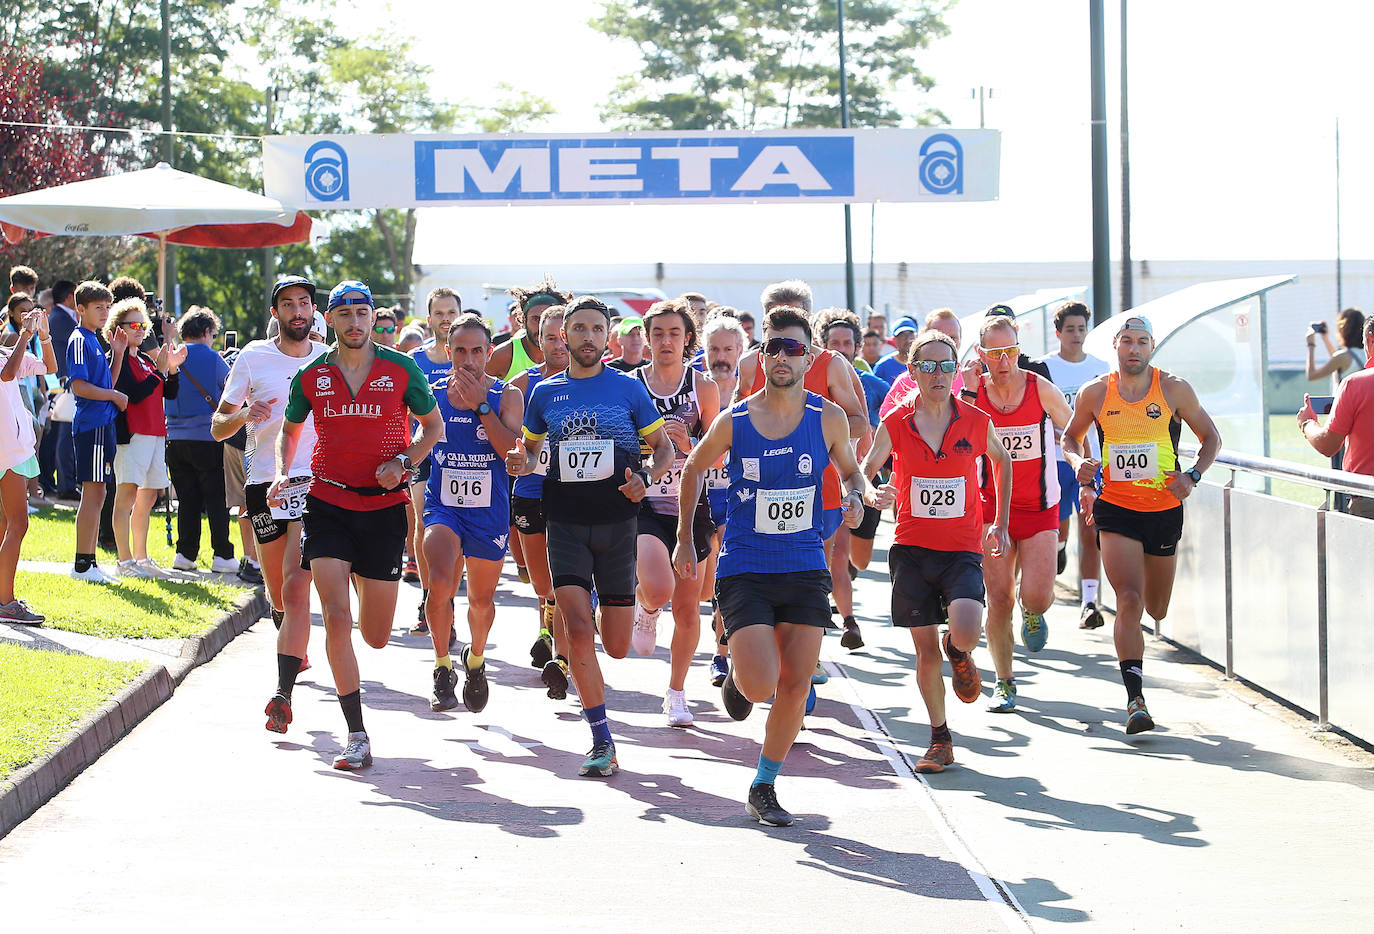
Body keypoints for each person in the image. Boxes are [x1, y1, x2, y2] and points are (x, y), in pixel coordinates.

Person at [674, 305, 870, 826]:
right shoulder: (736, 420)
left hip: (805, 565)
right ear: (761, 353)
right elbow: (692, 469)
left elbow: (853, 473)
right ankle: (739, 679)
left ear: (809, 356)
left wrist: (857, 496)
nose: (783, 356)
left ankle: (764, 783)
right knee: (762, 685)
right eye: (774, 347)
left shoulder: (826, 417)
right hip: (747, 566)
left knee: (797, 686)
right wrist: (683, 541)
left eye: (794, 347)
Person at [272, 280, 443, 769]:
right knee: (337, 617)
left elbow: (434, 428)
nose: (353, 322)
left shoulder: (402, 368)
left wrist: (405, 463)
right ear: (331, 321)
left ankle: (369, 587)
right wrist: (287, 471)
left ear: (373, 318)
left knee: (376, 634)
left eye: (361, 313)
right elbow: (290, 430)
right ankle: (357, 734)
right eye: (343, 314)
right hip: (327, 503)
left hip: (384, 509)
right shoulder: (311, 374)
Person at [506, 295, 673, 778]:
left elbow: (661, 449)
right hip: (565, 523)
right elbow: (532, 454)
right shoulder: (545, 395)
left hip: (619, 524)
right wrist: (521, 462)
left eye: (595, 329)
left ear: (608, 337)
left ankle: (639, 606)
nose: (585, 337)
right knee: (578, 631)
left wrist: (646, 476)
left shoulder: (628, 390)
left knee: (617, 646)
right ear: (564, 337)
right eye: (576, 328)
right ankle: (601, 738)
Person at [1061, 315, 1221, 735]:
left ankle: (1138, 682)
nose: (1134, 348)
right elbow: (1070, 437)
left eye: (1142, 341)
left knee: (1156, 608)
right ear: (1115, 344)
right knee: (1129, 600)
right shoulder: (1096, 391)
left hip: (1164, 508)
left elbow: (1211, 439)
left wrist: (1192, 477)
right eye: (1127, 341)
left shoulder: (1174, 388)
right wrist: (1080, 464)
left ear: (1152, 347)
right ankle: (1135, 699)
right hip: (1116, 507)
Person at [860, 329, 1011, 773]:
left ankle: (960, 652)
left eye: (947, 365)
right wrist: (872, 493)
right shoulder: (897, 423)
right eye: (928, 366)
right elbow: (867, 469)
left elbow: (1001, 462)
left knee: (964, 630)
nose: (939, 374)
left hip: (962, 548)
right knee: (924, 653)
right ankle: (939, 738)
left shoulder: (975, 420)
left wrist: (999, 522)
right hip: (911, 549)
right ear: (913, 371)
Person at [214, 276, 330, 727]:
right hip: (264, 484)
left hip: (313, 484)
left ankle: (283, 694)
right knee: (278, 592)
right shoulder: (252, 358)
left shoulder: (329, 361)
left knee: (297, 584)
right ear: (275, 313)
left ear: (314, 311)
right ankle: (291, 639)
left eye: (304, 303)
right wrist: (245, 414)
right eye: (287, 304)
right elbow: (218, 426)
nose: (297, 311)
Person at [965, 313, 1072, 712]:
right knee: (999, 599)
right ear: (981, 355)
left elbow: (1076, 430)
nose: (1004, 361)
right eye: (995, 353)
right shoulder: (973, 394)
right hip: (993, 511)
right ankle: (1004, 681)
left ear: (1019, 351)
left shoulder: (1039, 389)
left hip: (1040, 507)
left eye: (1011, 351)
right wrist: (971, 393)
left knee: (1037, 595)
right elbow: (957, 438)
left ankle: (1035, 612)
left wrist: (1084, 465)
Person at [422, 314, 524, 712]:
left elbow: (509, 449)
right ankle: (442, 665)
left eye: (476, 351)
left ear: (488, 353)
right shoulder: (429, 394)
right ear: (448, 352)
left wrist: (481, 405)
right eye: (459, 350)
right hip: (443, 506)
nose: (468, 360)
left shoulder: (506, 396)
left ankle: (476, 660)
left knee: (481, 600)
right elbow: (415, 436)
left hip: (489, 510)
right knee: (442, 582)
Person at [628, 298, 720, 727]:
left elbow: (719, 458)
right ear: (646, 339)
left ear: (688, 339)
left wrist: (688, 446)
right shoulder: (630, 385)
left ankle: (677, 693)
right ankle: (646, 609)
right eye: (658, 333)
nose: (666, 341)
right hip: (643, 502)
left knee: (688, 609)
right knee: (661, 590)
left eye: (674, 333)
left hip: (690, 507)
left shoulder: (702, 388)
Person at [509, 306, 573, 697]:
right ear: (539, 341)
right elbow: (509, 436)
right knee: (542, 583)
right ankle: (548, 620)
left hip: (573, 495)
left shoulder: (594, 383)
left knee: (568, 580)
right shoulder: (522, 384)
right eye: (550, 337)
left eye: (563, 336)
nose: (558, 344)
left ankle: (563, 658)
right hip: (531, 490)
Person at [816, 308, 889, 649]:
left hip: (862, 477)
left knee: (857, 558)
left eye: (848, 342)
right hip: (824, 479)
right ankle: (848, 621)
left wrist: (876, 467)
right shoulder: (814, 381)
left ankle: (838, 608)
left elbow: (887, 430)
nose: (842, 348)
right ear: (824, 345)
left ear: (858, 346)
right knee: (838, 555)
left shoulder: (874, 387)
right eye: (835, 343)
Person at [1036, 301, 1110, 627]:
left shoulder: (1100, 368)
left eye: (1082, 328)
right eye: (1070, 329)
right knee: (1057, 529)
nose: (1077, 335)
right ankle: (1060, 548)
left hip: (1090, 459)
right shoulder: (1045, 368)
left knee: (1091, 529)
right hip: (1053, 460)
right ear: (1058, 333)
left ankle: (1090, 603)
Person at [105, 298, 185, 578]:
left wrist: (170, 369)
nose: (140, 329)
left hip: (154, 433)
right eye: (133, 325)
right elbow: (133, 394)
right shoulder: (118, 359)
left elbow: (169, 392)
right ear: (118, 328)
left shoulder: (143, 359)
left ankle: (141, 557)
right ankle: (124, 561)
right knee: (126, 496)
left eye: (143, 325)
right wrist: (161, 372)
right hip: (133, 435)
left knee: (148, 497)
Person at [406, 286, 462, 628]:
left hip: (463, 454)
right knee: (423, 521)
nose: (445, 319)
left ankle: (449, 599)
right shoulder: (416, 360)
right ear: (429, 319)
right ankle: (429, 597)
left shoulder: (471, 355)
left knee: (456, 532)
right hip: (425, 451)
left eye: (451, 312)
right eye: (439, 313)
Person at [164, 307, 236, 573]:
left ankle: (185, 554)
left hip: (174, 437)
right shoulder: (214, 359)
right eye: (213, 334)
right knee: (216, 499)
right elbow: (230, 391)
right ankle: (223, 555)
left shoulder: (171, 356)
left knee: (187, 499)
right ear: (207, 332)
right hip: (207, 437)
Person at [698, 313, 747, 686]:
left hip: (737, 492)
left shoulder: (753, 391)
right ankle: (647, 603)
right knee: (700, 582)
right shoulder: (694, 388)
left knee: (726, 573)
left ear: (740, 351)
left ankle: (721, 653)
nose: (721, 356)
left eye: (728, 349)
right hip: (697, 491)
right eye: (714, 348)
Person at [0, 303, 57, 622]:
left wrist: (44, 337)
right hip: (7, 452)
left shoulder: (7, 352)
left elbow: (49, 367)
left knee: (7, 524)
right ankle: (5, 603)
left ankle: (3, 597)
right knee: (18, 523)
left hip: (12, 451)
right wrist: (25, 333)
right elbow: (7, 376)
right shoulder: (8, 355)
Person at [65, 281, 124, 583]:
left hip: (103, 423)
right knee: (93, 493)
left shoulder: (95, 340)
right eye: (98, 307)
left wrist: (118, 353)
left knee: (99, 493)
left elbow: (106, 385)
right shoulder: (79, 339)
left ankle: (89, 562)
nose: (104, 312)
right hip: (92, 425)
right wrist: (114, 397)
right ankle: (81, 565)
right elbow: (79, 386)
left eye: (106, 306)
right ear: (81, 309)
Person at [1299, 314, 1374, 518]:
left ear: (1369, 339)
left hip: (1367, 494)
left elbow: (1328, 445)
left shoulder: (1353, 384)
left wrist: (1307, 422)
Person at [41, 279, 79, 499]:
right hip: (64, 385)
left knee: (63, 436)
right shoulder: (61, 318)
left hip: (64, 384)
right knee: (65, 435)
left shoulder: (60, 317)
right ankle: (66, 484)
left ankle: (66, 482)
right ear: (68, 296)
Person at [487, 276, 566, 381]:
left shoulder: (572, 355)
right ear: (524, 320)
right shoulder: (504, 355)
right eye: (535, 319)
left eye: (548, 319)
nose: (541, 326)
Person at [1306, 308, 1366, 393]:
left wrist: (1310, 345)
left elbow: (1311, 375)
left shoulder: (1342, 357)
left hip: (1345, 405)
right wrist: (1325, 339)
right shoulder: (1367, 354)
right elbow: (1338, 361)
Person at [874, 317, 917, 384]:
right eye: (903, 336)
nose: (908, 339)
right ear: (894, 340)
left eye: (911, 335)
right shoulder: (883, 366)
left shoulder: (922, 363)